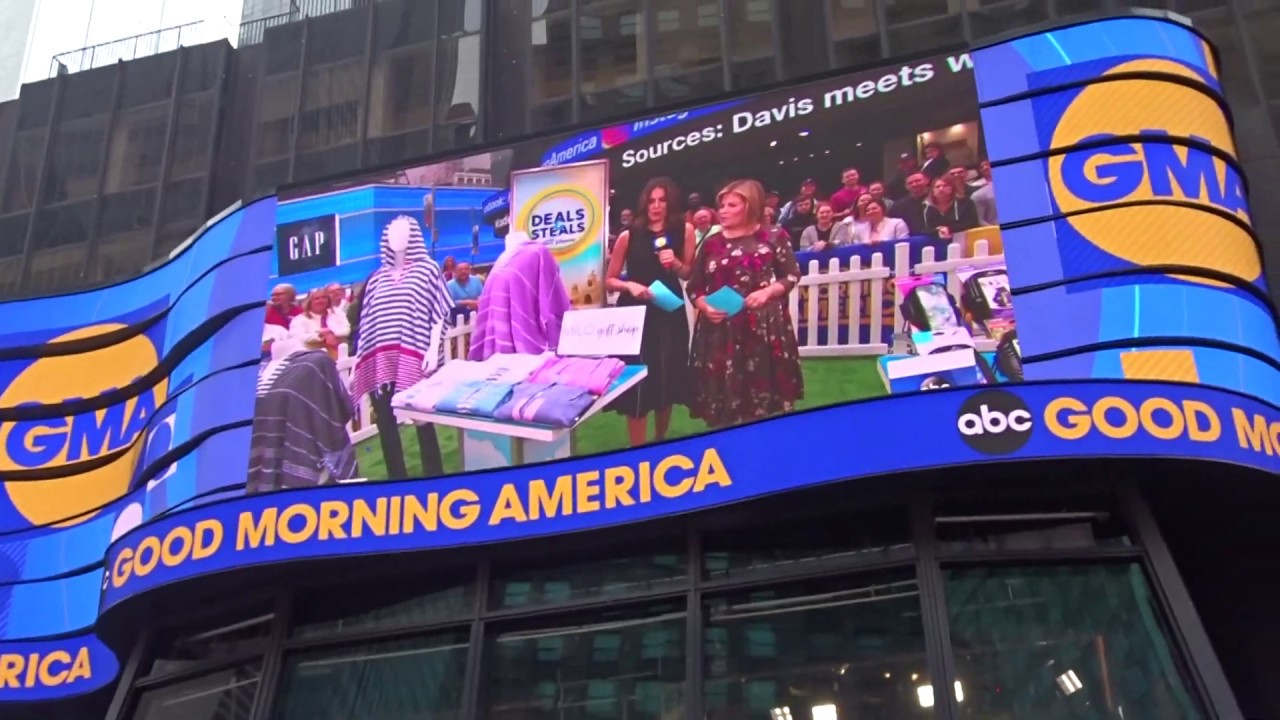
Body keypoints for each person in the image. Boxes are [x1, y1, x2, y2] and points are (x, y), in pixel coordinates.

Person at [687, 179, 804, 429]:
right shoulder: (710, 243)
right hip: (719, 330)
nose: (723, 210)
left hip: (761, 328)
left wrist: (769, 292)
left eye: (732, 205)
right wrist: (705, 306)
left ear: (750, 206)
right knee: (722, 406)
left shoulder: (774, 236)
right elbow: (694, 287)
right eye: (722, 205)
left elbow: (792, 274)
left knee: (760, 403)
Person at [605, 177, 695, 447]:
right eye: (652, 200)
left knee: (667, 374)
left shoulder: (685, 230)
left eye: (662, 200)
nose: (656, 206)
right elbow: (609, 279)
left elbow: (689, 272)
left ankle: (659, 439)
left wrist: (677, 263)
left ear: (670, 202)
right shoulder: (629, 234)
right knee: (638, 381)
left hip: (668, 312)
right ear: (645, 201)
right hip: (634, 315)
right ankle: (637, 448)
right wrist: (629, 284)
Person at [290, 289, 350, 359]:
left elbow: (346, 329)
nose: (321, 301)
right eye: (316, 299)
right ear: (309, 302)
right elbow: (298, 337)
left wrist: (331, 332)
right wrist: (320, 336)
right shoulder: (299, 319)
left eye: (324, 297)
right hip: (312, 356)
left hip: (342, 352)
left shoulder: (337, 312)